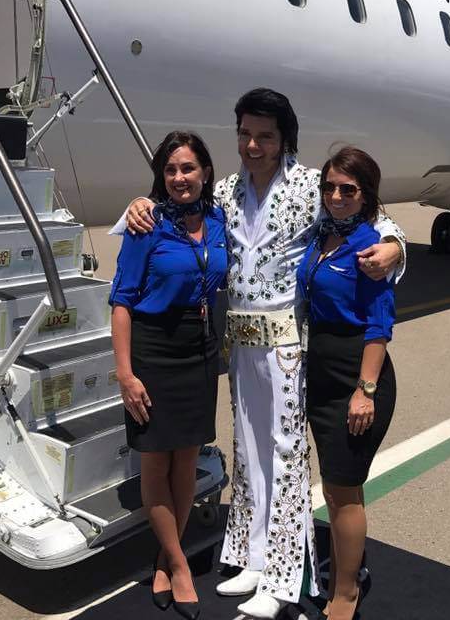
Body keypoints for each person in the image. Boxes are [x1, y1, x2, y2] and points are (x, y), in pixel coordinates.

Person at [121, 88, 405, 619]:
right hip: (240, 343)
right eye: (246, 134)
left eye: (265, 136)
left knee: (286, 455)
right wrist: (139, 204)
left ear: (283, 139)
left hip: (288, 347)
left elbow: (361, 218)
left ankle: (284, 575)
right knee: (249, 451)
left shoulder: (306, 187)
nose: (253, 144)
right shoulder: (225, 192)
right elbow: (174, 206)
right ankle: (253, 557)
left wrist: (396, 243)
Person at [109, 131, 228, 620]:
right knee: (156, 466)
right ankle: (179, 567)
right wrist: (125, 373)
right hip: (154, 349)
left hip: (199, 351)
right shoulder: (146, 225)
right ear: (162, 177)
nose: (180, 178)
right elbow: (120, 301)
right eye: (171, 170)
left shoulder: (219, 219)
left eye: (189, 168)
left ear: (205, 173)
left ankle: (165, 556)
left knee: (185, 463)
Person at [297, 147, 396, 620]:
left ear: (366, 196)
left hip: (357, 375)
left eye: (348, 189)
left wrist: (366, 391)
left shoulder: (368, 248)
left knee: (343, 486)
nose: (336, 196)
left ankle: (346, 590)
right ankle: (344, 567)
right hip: (320, 371)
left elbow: (379, 326)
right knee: (334, 488)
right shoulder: (320, 238)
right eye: (329, 187)